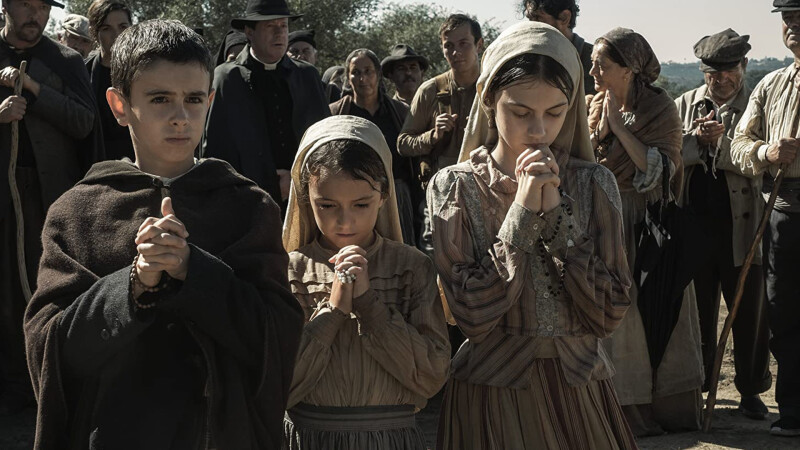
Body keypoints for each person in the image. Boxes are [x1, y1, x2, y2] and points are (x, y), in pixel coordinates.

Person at [24, 20, 304, 449]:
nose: (180, 117)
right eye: (159, 99)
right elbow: (51, 353)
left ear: (210, 101)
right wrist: (132, 286)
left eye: (193, 99)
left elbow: (277, 340)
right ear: (119, 105)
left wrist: (195, 271)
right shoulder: (77, 213)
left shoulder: (247, 207)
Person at [429, 21, 636, 449]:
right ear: (488, 99)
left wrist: (559, 216)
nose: (539, 131)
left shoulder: (594, 184)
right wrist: (522, 214)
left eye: (555, 113)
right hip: (492, 397)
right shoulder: (455, 187)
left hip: (580, 395)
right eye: (521, 113)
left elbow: (608, 313)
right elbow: (472, 315)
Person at [282, 115, 450, 449]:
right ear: (305, 197)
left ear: (384, 196)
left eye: (361, 204)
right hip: (311, 439)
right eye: (327, 205)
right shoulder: (292, 271)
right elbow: (280, 384)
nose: (344, 221)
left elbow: (431, 375)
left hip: (391, 440)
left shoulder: (411, 268)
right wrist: (333, 310)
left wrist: (370, 306)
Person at [588, 28, 703, 436]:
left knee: (657, 307)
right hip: (606, 221)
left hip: (648, 223)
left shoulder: (659, 108)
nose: (593, 72)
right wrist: (600, 130)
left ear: (628, 69)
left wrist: (619, 129)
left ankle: (668, 410)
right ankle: (624, 410)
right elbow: (583, 158)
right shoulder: (593, 105)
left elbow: (661, 168)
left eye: (601, 65)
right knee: (619, 317)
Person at [0, 0, 102, 416]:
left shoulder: (65, 61)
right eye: (26, 4)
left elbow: (84, 122)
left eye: (43, 7)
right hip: (4, 193)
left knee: (43, 286)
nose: (35, 15)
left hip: (49, 196)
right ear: (5, 5)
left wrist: (36, 91)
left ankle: (43, 379)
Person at [675, 29, 771, 421]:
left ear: (743, 65)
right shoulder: (684, 104)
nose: (721, 79)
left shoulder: (758, 105)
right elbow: (668, 153)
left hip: (743, 228)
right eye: (713, 73)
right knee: (697, 314)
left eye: (729, 70)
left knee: (749, 313)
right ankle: (698, 385)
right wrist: (696, 141)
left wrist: (721, 145)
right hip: (695, 226)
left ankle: (750, 389)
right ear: (703, 72)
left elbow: (761, 160)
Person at [730, 0, 800, 437]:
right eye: (788, 19)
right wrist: (766, 151)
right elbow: (739, 144)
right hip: (784, 215)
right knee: (783, 313)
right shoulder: (771, 85)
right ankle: (793, 410)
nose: (792, 26)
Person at [203, 0, 329, 213]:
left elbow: (324, 140)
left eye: (283, 26)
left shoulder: (307, 76)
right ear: (249, 32)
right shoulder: (227, 78)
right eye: (270, 26)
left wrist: (298, 178)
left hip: (304, 198)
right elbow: (217, 148)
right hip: (246, 202)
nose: (279, 33)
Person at [330, 49, 416, 245]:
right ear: (348, 77)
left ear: (378, 74)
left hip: (396, 194)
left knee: (399, 249)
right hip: (351, 196)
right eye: (356, 72)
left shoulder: (400, 113)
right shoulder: (336, 113)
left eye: (368, 71)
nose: (363, 78)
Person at [85, 0, 133, 161]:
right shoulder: (84, 73)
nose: (117, 36)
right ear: (94, 32)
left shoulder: (146, 71)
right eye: (106, 29)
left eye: (123, 27)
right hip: (96, 161)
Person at [524, 0, 595, 95]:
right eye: (530, 19)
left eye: (538, 18)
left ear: (564, 18)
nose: (531, 26)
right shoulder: (528, 60)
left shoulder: (596, 63)